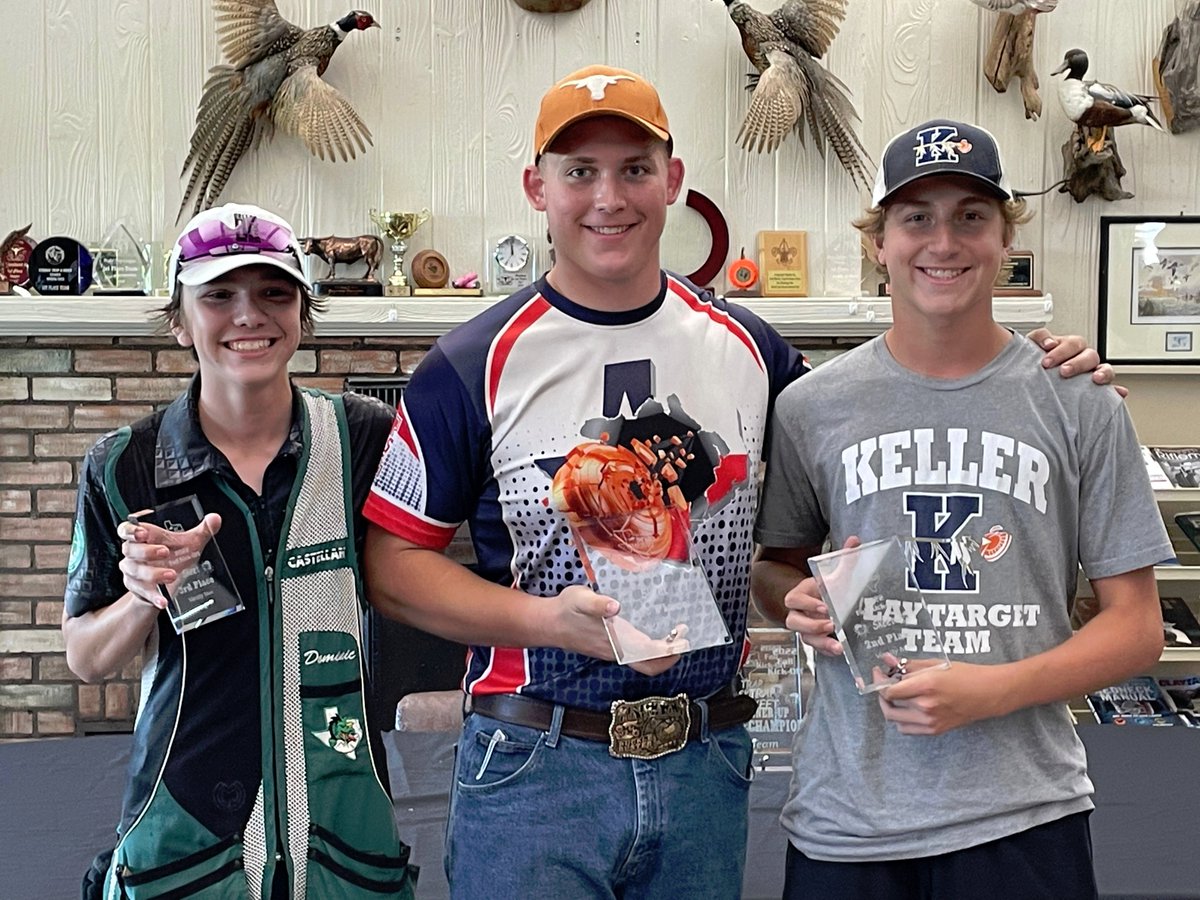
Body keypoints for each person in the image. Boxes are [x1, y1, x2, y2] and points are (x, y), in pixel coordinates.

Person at [361, 68, 1108, 897]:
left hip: (704, 764)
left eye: (635, 169)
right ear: (538, 188)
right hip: (535, 765)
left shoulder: (756, 353)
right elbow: (393, 567)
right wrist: (547, 622)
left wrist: (1037, 366)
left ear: (673, 181)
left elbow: (868, 439)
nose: (609, 197)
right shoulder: (470, 362)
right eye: (579, 172)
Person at [752, 119, 1172, 900]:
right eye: (916, 217)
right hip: (848, 820)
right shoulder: (811, 406)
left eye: (971, 216)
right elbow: (775, 572)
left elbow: (1137, 626)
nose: (943, 242)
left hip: (1023, 815)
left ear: (1006, 236)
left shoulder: (1081, 402)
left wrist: (992, 690)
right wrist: (797, 600)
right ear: (878, 242)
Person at [63, 203, 416, 899]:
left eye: (274, 293)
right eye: (219, 296)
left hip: (343, 822)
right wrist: (143, 595)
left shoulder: (365, 438)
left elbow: (417, 576)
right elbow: (86, 659)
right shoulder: (125, 465)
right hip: (187, 825)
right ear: (179, 320)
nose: (249, 315)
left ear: (303, 313)